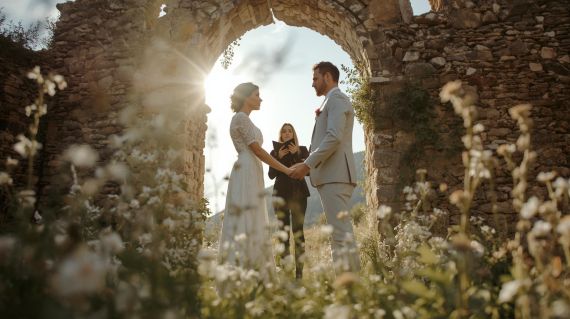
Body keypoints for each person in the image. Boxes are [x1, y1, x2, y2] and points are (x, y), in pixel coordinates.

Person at [290, 61, 360, 273]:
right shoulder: (330, 101)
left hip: (335, 176)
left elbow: (334, 137)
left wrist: (308, 164)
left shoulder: (336, 98)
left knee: (341, 236)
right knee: (338, 236)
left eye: (315, 79)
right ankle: (346, 287)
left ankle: (353, 292)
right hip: (330, 176)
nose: (312, 84)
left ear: (327, 77)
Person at [218, 82, 293, 281]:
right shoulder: (241, 118)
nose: (261, 98)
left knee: (255, 216)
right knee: (246, 215)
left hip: (252, 170)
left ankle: (255, 272)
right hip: (246, 169)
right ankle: (243, 274)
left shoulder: (245, 119)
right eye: (257, 94)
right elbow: (257, 150)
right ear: (246, 97)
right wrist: (285, 169)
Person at [268, 123, 310, 279]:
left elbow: (309, 172)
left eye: (289, 131)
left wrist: (297, 155)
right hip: (280, 195)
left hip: (299, 194)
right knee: (283, 234)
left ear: (293, 134)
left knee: (298, 233)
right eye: (284, 131)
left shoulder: (303, 150)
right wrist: (279, 157)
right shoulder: (274, 152)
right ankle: (286, 272)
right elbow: (271, 175)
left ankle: (299, 274)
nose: (286, 133)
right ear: (281, 135)